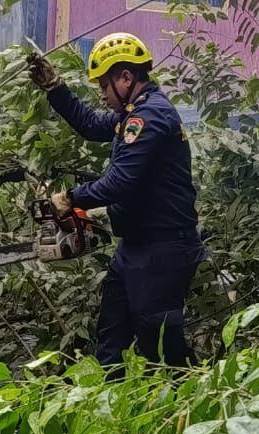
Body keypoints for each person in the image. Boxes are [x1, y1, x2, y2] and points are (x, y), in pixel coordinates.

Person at [28, 32, 204, 368]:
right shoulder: (132, 111)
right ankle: (108, 407)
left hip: (162, 249)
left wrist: (70, 198)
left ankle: (184, 407)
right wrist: (56, 89)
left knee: (161, 349)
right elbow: (93, 125)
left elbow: (120, 182)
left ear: (126, 77)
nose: (103, 96)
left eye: (105, 87)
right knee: (110, 338)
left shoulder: (149, 117)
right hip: (134, 248)